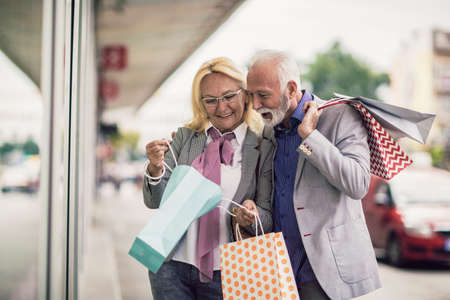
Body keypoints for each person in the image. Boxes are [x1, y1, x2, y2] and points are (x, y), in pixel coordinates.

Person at [246, 50, 381, 300]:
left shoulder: (341, 116)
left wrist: (310, 136)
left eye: (263, 95)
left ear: (291, 88)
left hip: (325, 272)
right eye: (250, 95)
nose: (255, 105)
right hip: (279, 271)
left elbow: (358, 184)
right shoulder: (267, 132)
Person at [142, 57, 275, 300]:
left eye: (228, 96)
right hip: (169, 264)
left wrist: (251, 217)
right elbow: (155, 201)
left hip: (229, 271)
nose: (221, 107)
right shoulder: (185, 138)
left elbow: (266, 217)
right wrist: (155, 167)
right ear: (201, 103)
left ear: (245, 94)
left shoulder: (263, 145)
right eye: (211, 101)